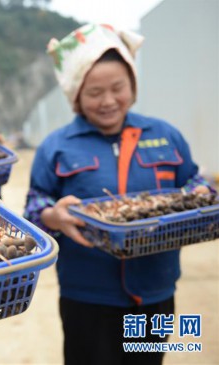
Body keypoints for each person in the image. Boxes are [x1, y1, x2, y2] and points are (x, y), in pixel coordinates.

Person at [24, 23, 214, 365]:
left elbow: (193, 183)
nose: (108, 101)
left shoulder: (165, 134)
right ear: (75, 95)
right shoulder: (56, 147)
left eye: (118, 88)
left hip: (155, 290)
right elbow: (35, 207)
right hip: (88, 295)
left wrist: (201, 193)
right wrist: (52, 216)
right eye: (94, 92)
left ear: (133, 86)